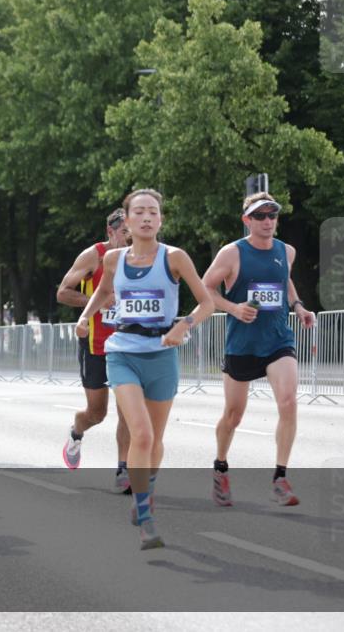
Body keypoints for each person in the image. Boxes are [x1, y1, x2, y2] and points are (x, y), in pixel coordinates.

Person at [76, 188, 214, 550]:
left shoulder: (175, 258)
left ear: (161, 220)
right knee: (141, 434)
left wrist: (184, 324)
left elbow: (207, 302)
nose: (148, 217)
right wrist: (85, 316)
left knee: (155, 439)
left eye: (154, 212)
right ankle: (146, 515)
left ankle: (146, 490)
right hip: (122, 351)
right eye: (140, 212)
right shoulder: (113, 260)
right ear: (128, 220)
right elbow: (104, 293)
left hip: (162, 355)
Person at [201, 192, 316, 507]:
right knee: (233, 415)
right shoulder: (231, 253)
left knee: (289, 401)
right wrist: (234, 308)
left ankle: (280, 478)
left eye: (272, 215)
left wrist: (299, 305)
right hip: (242, 343)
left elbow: (284, 280)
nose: (267, 222)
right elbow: (206, 289)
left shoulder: (286, 251)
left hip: (278, 339)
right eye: (260, 216)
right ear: (247, 220)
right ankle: (221, 466)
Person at [56, 208, 132, 492]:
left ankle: (123, 470)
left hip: (128, 345)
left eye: (132, 231)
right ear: (110, 232)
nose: (129, 237)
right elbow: (63, 292)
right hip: (96, 345)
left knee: (127, 411)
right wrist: (96, 300)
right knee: (97, 413)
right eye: (124, 232)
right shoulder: (93, 256)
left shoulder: (142, 257)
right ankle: (77, 430)